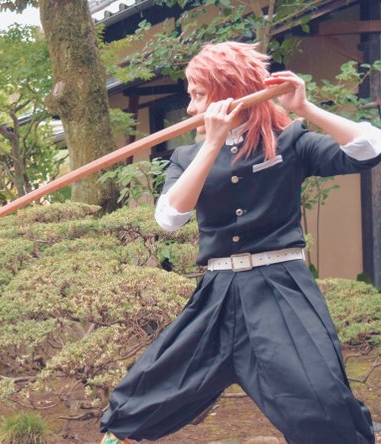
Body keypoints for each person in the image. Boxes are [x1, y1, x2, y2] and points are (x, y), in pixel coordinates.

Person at [99, 42, 381, 444]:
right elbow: (170, 218)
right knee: (146, 393)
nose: (191, 108)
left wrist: (306, 108)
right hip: (218, 293)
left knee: (323, 402)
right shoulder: (188, 157)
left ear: (230, 93)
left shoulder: (289, 142)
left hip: (281, 288)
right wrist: (212, 143)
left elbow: (369, 149)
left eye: (198, 95)